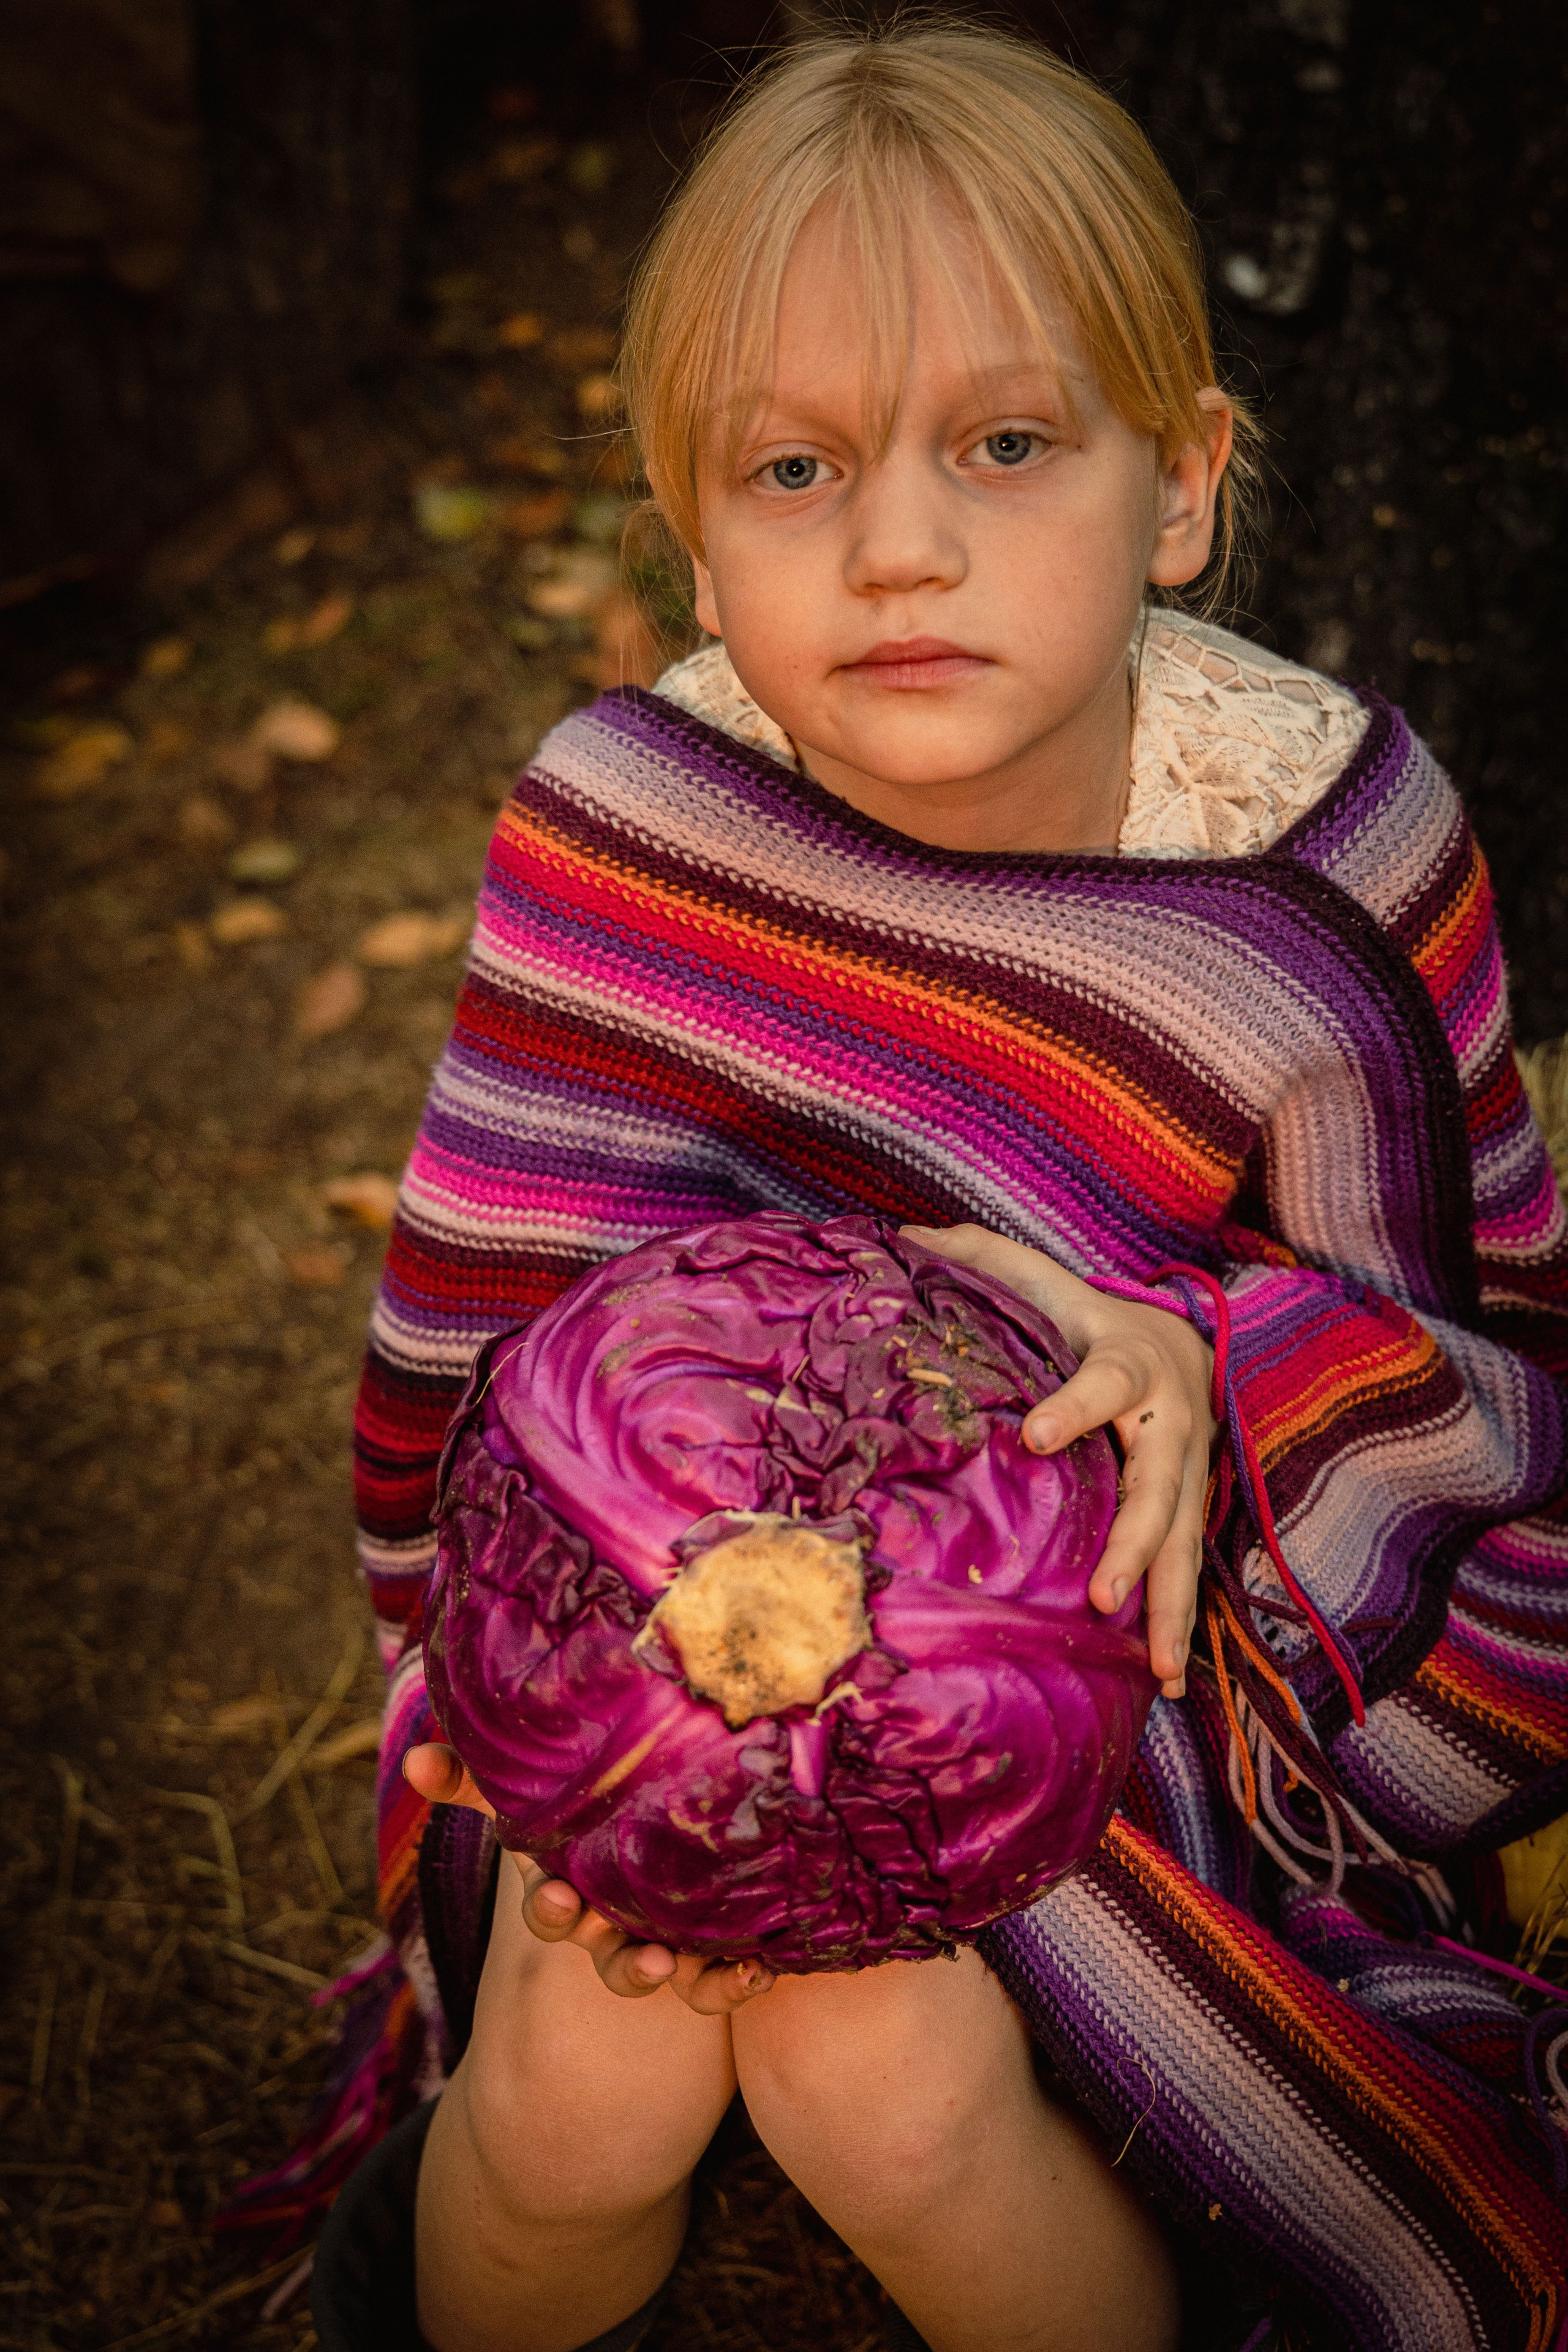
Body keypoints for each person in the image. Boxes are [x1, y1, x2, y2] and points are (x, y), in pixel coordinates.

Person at [298, 22, 1568, 2352]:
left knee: (879, 2080)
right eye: (794, 469)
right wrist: (579, 1707)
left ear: (1179, 488)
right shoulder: (625, 837)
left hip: (1123, 1687)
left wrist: (1195, 1359)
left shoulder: (1327, 866)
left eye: (1006, 444)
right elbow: (482, 1368)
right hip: (667, 1660)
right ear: (696, 542)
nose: (901, 548)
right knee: (582, 2079)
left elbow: (1479, 1392)